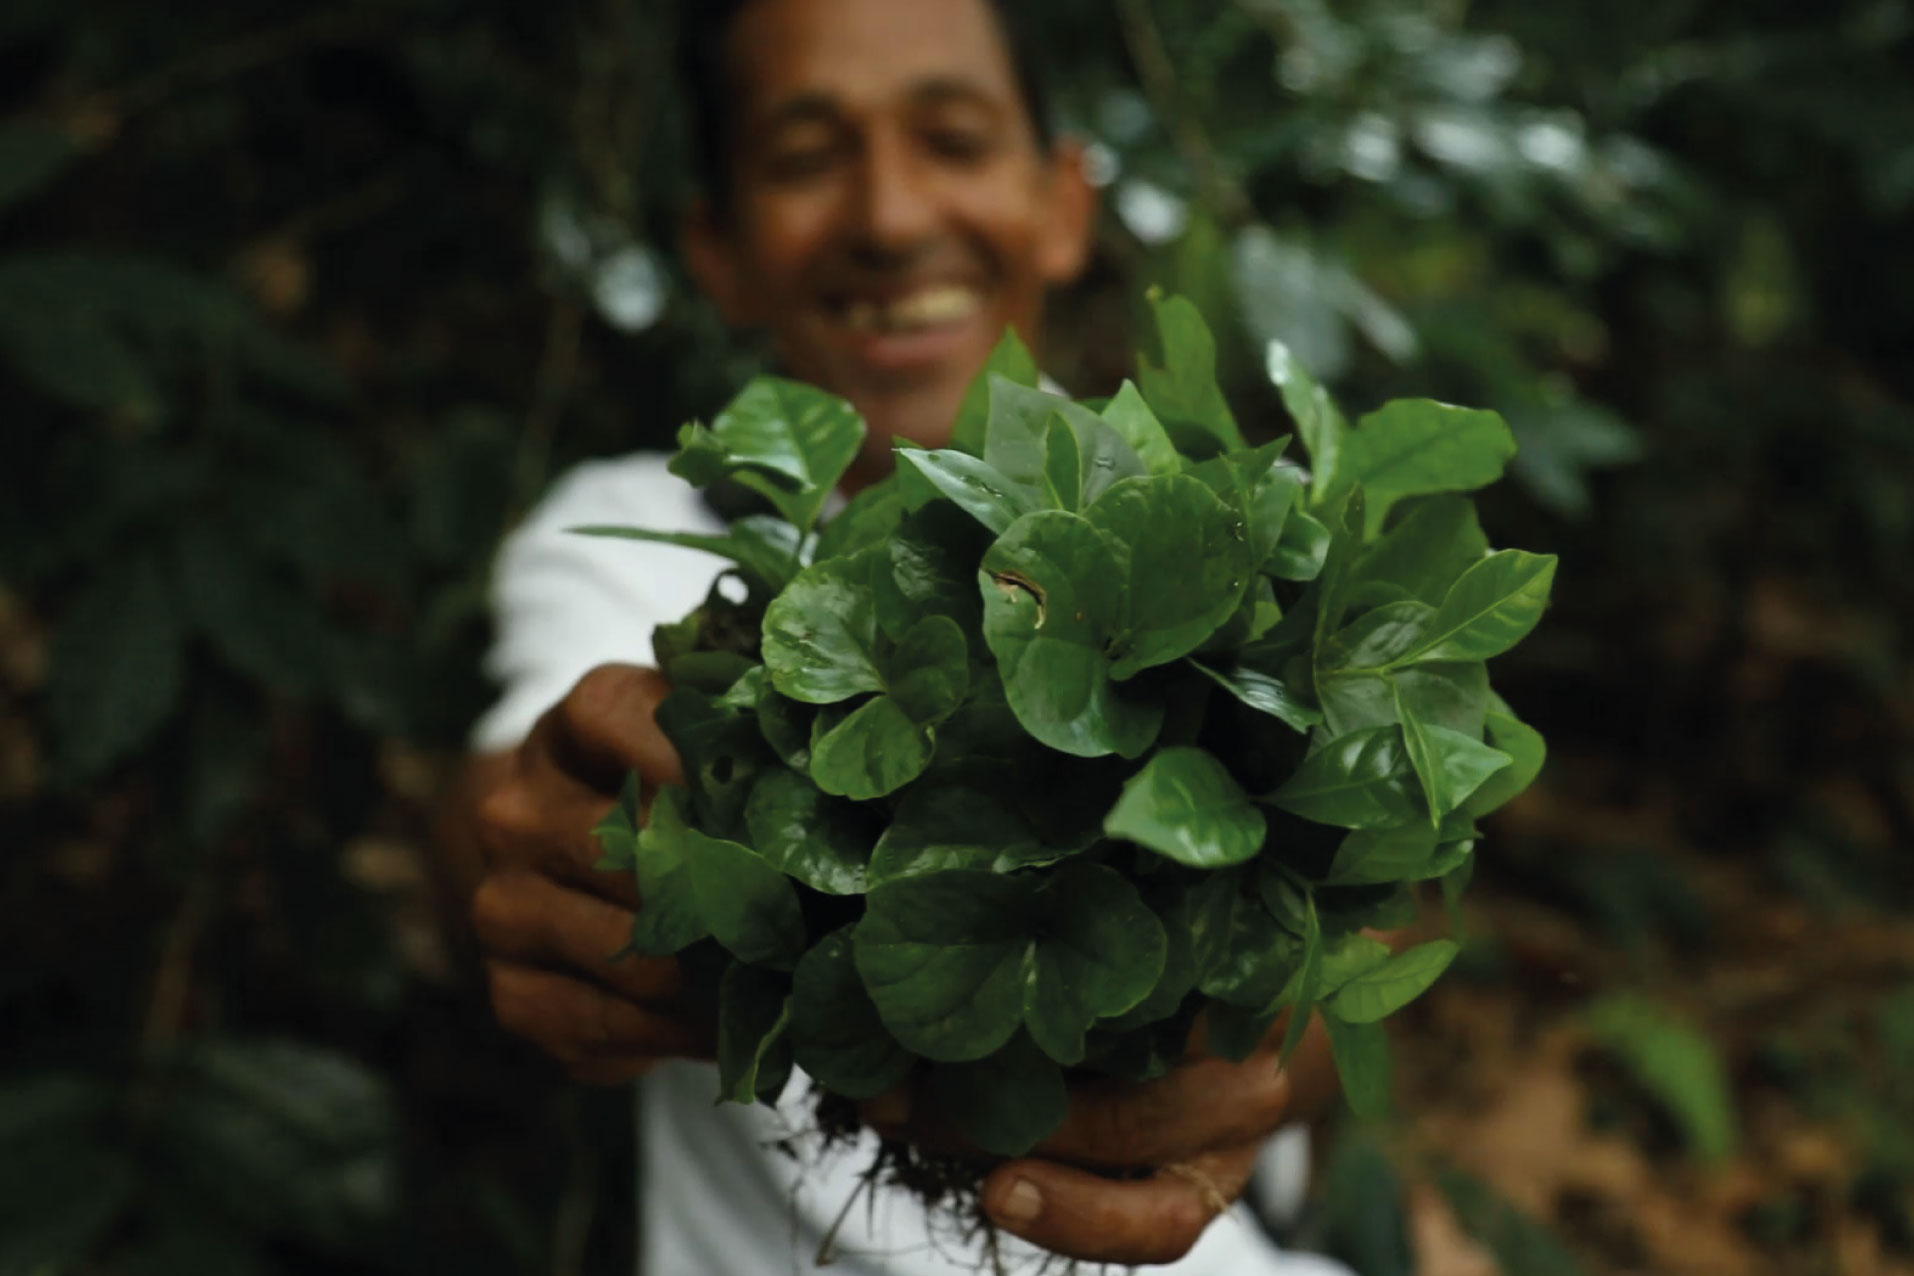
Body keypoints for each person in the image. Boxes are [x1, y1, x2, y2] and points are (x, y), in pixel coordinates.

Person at [439, 0, 1355, 1271]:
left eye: (955, 138)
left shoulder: (1209, 553)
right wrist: (549, 849)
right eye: (807, 157)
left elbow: (1368, 936)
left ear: (1065, 200)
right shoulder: (650, 531)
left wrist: (1262, 1060)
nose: (889, 215)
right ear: (716, 242)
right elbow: (518, 788)